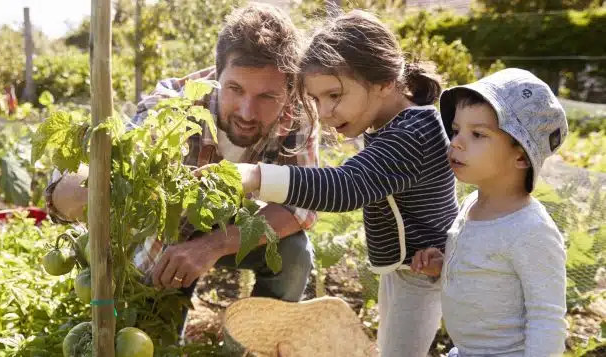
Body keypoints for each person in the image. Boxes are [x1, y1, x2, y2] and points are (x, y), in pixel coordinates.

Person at [45, 2, 318, 315]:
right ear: (217, 74)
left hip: (235, 226)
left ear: (288, 89)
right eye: (235, 89)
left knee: (294, 252)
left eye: (266, 97)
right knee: (152, 328)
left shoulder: (297, 112)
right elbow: (110, 168)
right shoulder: (174, 106)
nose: (246, 112)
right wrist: (83, 186)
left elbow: (300, 203)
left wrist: (212, 245)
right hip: (171, 234)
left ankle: (255, 341)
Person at [219, 9, 459, 357]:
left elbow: (346, 186)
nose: (325, 112)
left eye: (334, 95)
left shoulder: (412, 134)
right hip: (408, 271)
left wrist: (255, 176)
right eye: (316, 99)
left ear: (384, 82)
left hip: (424, 274)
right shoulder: (395, 124)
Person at [411, 68, 569, 357]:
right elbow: (487, 271)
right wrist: (445, 266)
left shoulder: (530, 231)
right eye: (457, 130)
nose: (456, 142)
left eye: (478, 134)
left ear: (520, 155)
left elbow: (547, 320)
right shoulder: (472, 203)